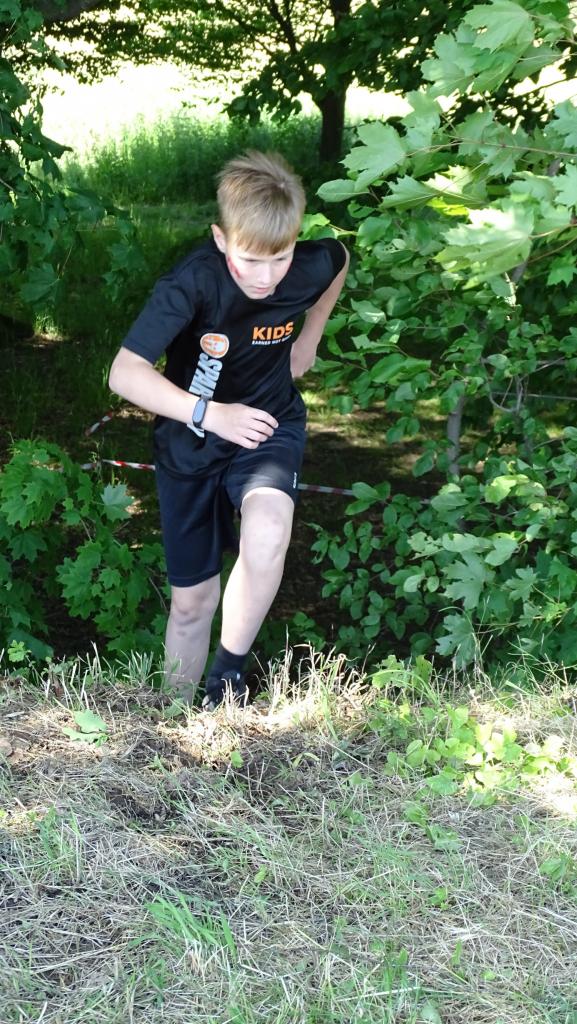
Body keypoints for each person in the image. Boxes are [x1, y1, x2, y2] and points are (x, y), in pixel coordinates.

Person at [109, 150, 349, 710]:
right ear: (222, 239)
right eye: (250, 260)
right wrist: (210, 413)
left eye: (280, 259)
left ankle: (225, 683)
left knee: (268, 530)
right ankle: (173, 720)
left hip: (267, 425)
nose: (266, 277)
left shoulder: (306, 266)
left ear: (293, 242)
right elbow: (124, 373)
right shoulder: (192, 282)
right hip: (191, 439)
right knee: (192, 604)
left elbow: (339, 260)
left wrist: (310, 336)